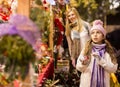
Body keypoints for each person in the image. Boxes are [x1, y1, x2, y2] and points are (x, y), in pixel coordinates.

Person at [76, 19, 118, 87]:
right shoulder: (86, 49)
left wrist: (101, 61)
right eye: (93, 33)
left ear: (103, 35)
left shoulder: (108, 51)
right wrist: (84, 63)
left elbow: (113, 69)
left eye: (98, 32)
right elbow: (79, 67)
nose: (95, 35)